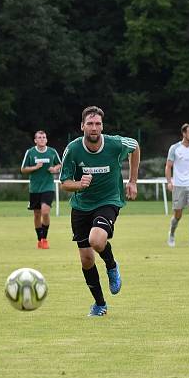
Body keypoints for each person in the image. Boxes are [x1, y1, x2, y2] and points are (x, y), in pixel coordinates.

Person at [59, 106, 140, 316]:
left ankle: (112, 266)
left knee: (96, 240)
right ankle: (100, 304)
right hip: (81, 206)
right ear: (82, 126)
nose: (94, 128)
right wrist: (79, 184)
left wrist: (132, 181)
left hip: (108, 200)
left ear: (102, 126)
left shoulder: (115, 144)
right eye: (90, 124)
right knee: (86, 260)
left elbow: (136, 146)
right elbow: (64, 183)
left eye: (98, 124)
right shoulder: (73, 149)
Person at [20, 130, 61, 249]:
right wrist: (35, 167)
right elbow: (23, 169)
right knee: (37, 215)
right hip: (34, 189)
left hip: (48, 187)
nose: (42, 139)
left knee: (45, 212)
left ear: (46, 139)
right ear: (35, 140)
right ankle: (39, 240)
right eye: (39, 137)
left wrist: (55, 169)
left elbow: (60, 164)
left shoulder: (52, 152)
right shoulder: (30, 152)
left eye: (44, 137)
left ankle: (45, 239)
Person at [166, 124, 189, 248]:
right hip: (178, 186)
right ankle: (171, 235)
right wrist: (169, 182)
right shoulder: (175, 148)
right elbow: (168, 166)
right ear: (184, 134)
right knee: (178, 214)